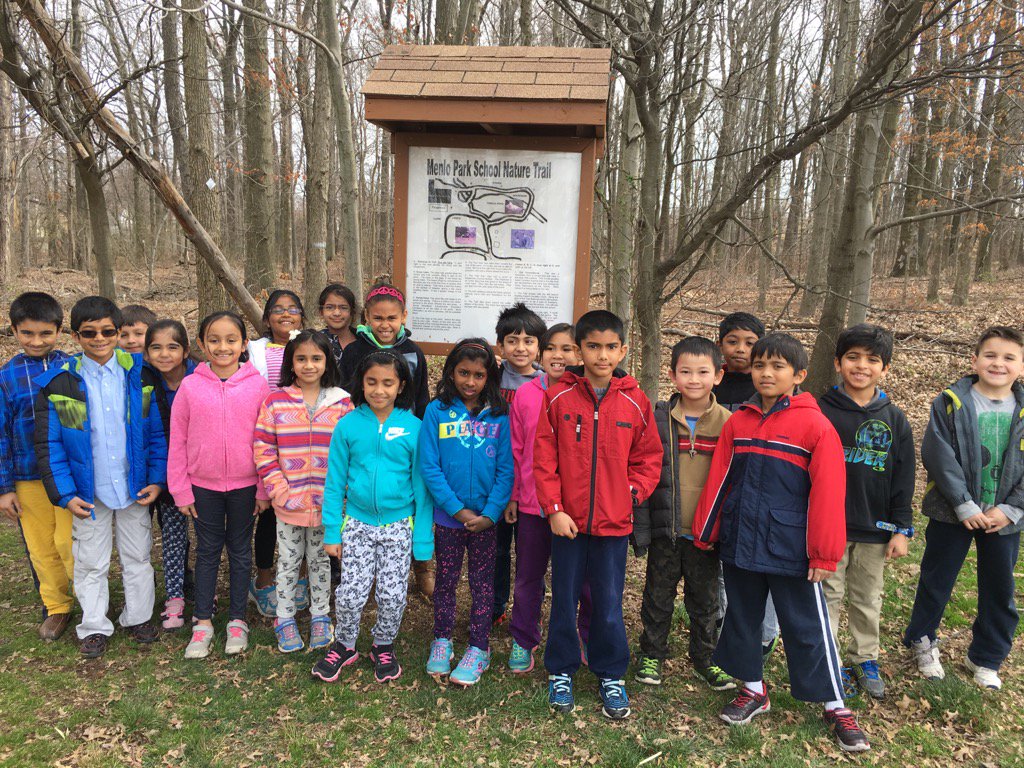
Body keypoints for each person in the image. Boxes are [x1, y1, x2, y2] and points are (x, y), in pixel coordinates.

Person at [692, 332, 870, 753]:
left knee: (807, 625)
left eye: (777, 367)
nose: (766, 373)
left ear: (799, 375)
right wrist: (707, 529)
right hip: (740, 541)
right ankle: (753, 689)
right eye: (759, 365)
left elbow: (828, 494)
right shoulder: (740, 421)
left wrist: (824, 553)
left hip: (792, 548)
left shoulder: (815, 425)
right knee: (742, 618)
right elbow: (720, 478)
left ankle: (835, 704)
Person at [534, 310, 661, 720]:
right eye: (592, 346)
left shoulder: (636, 401)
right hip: (567, 523)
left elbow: (649, 459)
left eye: (610, 347)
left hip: (612, 524)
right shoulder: (559, 397)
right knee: (564, 598)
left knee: (607, 601)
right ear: (579, 350)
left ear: (622, 350)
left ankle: (610, 673)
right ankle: (561, 670)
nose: (602, 355)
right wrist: (553, 509)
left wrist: (629, 494)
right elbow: (544, 458)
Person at [34, 296, 166, 658]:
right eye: (89, 332)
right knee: (91, 560)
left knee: (138, 555)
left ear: (118, 332)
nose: (99, 338)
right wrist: (64, 493)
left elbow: (154, 434)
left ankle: (138, 617)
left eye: (108, 331)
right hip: (87, 492)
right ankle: (94, 625)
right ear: (75, 336)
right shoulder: (60, 383)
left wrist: (156, 479)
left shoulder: (138, 374)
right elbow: (51, 445)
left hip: (133, 486)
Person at [903, 325, 1024, 691]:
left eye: (1008, 357)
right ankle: (922, 640)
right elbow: (938, 454)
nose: (998, 363)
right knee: (937, 579)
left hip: (1005, 517)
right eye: (990, 355)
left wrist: (1012, 508)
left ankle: (986, 657)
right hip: (951, 512)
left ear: (1021, 365)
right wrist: (964, 504)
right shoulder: (951, 401)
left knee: (999, 588)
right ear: (974, 360)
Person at [312, 352, 433, 684]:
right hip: (357, 524)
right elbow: (334, 482)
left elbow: (422, 490)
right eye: (371, 382)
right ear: (361, 384)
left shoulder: (414, 428)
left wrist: (422, 541)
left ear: (401, 386)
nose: (379, 390)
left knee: (393, 595)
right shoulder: (348, 425)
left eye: (388, 383)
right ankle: (345, 644)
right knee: (351, 592)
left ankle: (383, 645)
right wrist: (332, 532)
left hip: (398, 526)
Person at [819, 324, 915, 699]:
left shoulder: (895, 419)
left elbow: (903, 478)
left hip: (876, 529)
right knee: (828, 596)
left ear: (885, 368)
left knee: (867, 597)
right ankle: (828, 660)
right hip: (830, 528)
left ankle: (865, 658)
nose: (862, 366)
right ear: (838, 363)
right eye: (853, 358)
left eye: (872, 360)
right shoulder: (820, 410)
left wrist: (901, 529)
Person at [633, 336, 734, 690]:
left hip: (706, 533)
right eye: (685, 371)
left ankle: (705, 657)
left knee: (704, 600)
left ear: (718, 376)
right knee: (658, 595)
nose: (694, 379)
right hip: (667, 528)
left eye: (703, 372)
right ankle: (652, 653)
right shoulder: (658, 419)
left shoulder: (728, 423)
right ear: (672, 375)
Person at [168, 312, 271, 659]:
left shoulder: (258, 385)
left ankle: (238, 619)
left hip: (245, 486)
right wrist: (180, 489)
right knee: (208, 551)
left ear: (244, 344)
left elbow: (266, 439)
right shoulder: (191, 386)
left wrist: (262, 488)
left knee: (241, 551)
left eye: (231, 340)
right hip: (203, 488)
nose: (222, 347)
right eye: (214, 340)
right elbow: (178, 439)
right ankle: (202, 623)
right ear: (201, 344)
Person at [420, 339, 513, 686]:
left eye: (478, 375)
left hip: (488, 522)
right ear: (450, 372)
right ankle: (442, 640)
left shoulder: (500, 415)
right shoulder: (437, 411)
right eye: (463, 373)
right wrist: (457, 511)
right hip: (448, 519)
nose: (470, 382)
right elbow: (430, 467)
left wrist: (490, 513)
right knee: (445, 582)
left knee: (481, 585)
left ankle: (478, 647)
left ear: (489, 376)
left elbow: (506, 469)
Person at [254, 330, 353, 653]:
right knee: (289, 561)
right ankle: (284, 618)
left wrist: (341, 495)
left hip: (327, 503)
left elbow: (352, 453)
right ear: (290, 363)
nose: (308, 365)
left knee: (322, 560)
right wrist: (279, 491)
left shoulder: (342, 403)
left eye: (316, 358)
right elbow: (264, 449)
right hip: (289, 502)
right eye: (301, 359)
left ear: (327, 362)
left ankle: (320, 615)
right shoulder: (276, 401)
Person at [336, 282, 432, 599]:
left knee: (410, 497)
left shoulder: (413, 352)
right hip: (366, 436)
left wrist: (419, 434)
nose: (385, 324)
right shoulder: (354, 352)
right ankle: (364, 571)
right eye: (378, 318)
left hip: (405, 438)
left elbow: (421, 398)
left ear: (403, 317)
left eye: (392, 318)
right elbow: (345, 396)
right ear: (367, 317)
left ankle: (420, 567)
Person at [506, 323, 592, 673]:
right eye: (552, 348)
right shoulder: (527, 394)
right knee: (528, 575)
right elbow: (515, 448)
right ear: (541, 354)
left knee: (580, 579)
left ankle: (584, 635)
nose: (560, 356)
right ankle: (523, 638)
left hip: (575, 507)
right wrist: (513, 495)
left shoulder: (588, 396)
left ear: (580, 354)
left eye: (568, 349)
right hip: (531, 504)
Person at [0, 292, 72, 640]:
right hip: (27, 476)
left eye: (45, 333)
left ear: (59, 330)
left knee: (69, 542)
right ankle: (57, 606)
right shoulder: (6, 377)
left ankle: (90, 600)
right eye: (27, 333)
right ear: (14, 331)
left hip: (67, 474)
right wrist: (5, 489)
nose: (36, 341)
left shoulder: (70, 367)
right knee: (41, 546)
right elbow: (0, 436)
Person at [711, 311, 780, 657]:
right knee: (723, 561)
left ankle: (766, 632)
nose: (740, 350)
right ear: (720, 345)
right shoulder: (709, 382)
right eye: (732, 342)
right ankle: (723, 619)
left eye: (749, 343)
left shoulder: (765, 388)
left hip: (757, 488)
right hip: (716, 485)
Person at [247, 289, 307, 618]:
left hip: (305, 441)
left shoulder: (310, 346)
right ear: (267, 317)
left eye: (293, 308)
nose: (286, 314)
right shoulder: (253, 349)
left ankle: (301, 575)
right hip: (268, 438)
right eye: (278, 309)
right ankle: (264, 577)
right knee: (270, 509)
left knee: (305, 509)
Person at [141, 319, 198, 631]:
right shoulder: (143, 383)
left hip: (204, 475)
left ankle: (204, 593)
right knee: (174, 537)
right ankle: (174, 596)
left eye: (172, 347)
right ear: (147, 354)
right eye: (156, 348)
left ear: (186, 350)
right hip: (166, 474)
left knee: (207, 538)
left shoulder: (201, 378)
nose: (164, 354)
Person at [492, 302, 546, 626]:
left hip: (530, 485)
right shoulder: (491, 380)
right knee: (498, 550)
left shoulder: (546, 384)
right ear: (500, 345)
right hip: (496, 480)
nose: (520, 347)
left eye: (528, 341)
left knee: (530, 556)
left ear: (539, 346)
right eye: (512, 340)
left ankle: (528, 614)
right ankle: (496, 607)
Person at [318, 283, 358, 369]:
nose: (336, 313)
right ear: (321, 311)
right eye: (329, 307)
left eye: (343, 308)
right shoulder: (316, 341)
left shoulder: (363, 339)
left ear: (351, 312)